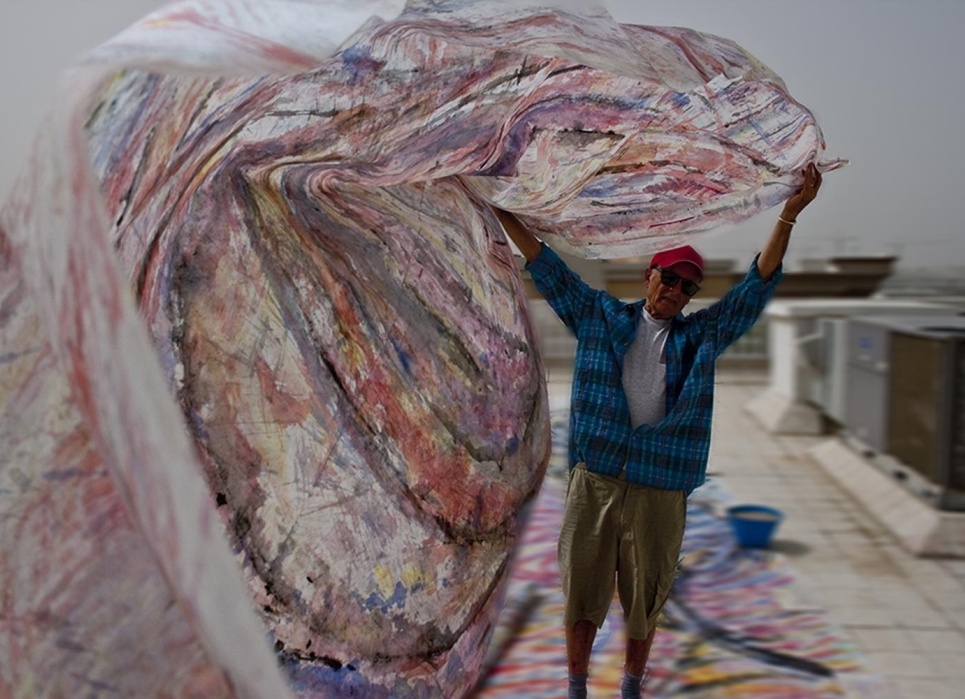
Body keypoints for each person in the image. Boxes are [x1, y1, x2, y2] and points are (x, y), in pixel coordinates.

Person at [493, 163, 822, 698]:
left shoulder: (700, 339)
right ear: (649, 275)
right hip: (595, 479)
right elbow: (545, 266)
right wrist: (500, 206)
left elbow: (755, 288)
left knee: (645, 599)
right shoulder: (599, 316)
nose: (676, 290)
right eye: (669, 278)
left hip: (660, 486)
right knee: (582, 592)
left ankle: (629, 687)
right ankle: (576, 687)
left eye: (687, 286)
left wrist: (789, 214)